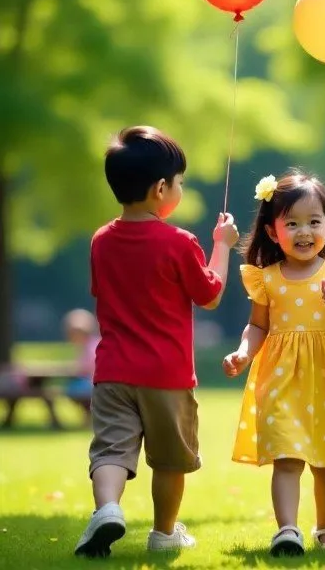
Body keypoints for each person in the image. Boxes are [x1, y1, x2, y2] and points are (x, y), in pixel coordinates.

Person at [74, 126, 239, 558]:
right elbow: (211, 294)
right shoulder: (179, 242)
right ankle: (164, 532)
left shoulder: (101, 240)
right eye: (180, 182)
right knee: (169, 460)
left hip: (111, 371)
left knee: (111, 450)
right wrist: (221, 246)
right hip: (166, 374)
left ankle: (107, 508)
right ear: (161, 187)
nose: (180, 188)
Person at [223, 171, 325, 557]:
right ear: (271, 230)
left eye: (314, 222)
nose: (304, 231)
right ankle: (288, 530)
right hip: (281, 377)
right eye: (292, 223)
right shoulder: (267, 279)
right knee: (287, 454)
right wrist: (244, 352)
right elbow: (257, 325)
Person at [63, 308, 100, 421]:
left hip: (94, 384)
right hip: (93, 383)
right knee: (72, 387)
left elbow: (87, 369)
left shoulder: (91, 347)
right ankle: (89, 415)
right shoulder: (87, 346)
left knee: (72, 389)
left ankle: (89, 415)